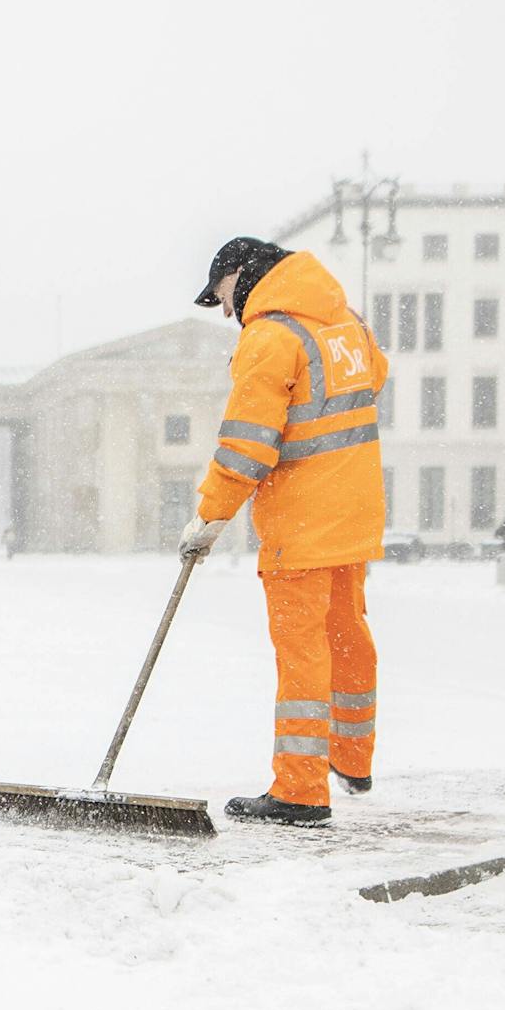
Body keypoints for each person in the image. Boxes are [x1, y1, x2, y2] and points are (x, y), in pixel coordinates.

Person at [180, 237, 389, 827]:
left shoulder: (270, 337)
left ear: (243, 274)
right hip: (353, 513)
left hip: (300, 526)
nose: (225, 312)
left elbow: (246, 446)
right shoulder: (345, 323)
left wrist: (210, 516)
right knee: (347, 634)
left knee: (302, 653)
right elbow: (375, 378)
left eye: (221, 295)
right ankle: (352, 758)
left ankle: (300, 790)